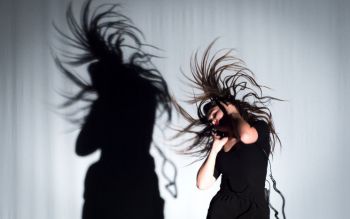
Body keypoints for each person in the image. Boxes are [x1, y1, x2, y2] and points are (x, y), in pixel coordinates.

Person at [53, 0, 174, 218]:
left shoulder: (107, 103)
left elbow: (83, 147)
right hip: (142, 185)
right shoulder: (145, 95)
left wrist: (100, 107)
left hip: (110, 189)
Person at [174, 41, 285, 219]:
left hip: (253, 209)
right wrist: (215, 149)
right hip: (223, 209)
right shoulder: (222, 144)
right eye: (210, 119)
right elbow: (202, 184)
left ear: (228, 106)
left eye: (214, 113)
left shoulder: (258, 127)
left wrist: (233, 112)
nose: (212, 120)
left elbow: (246, 136)